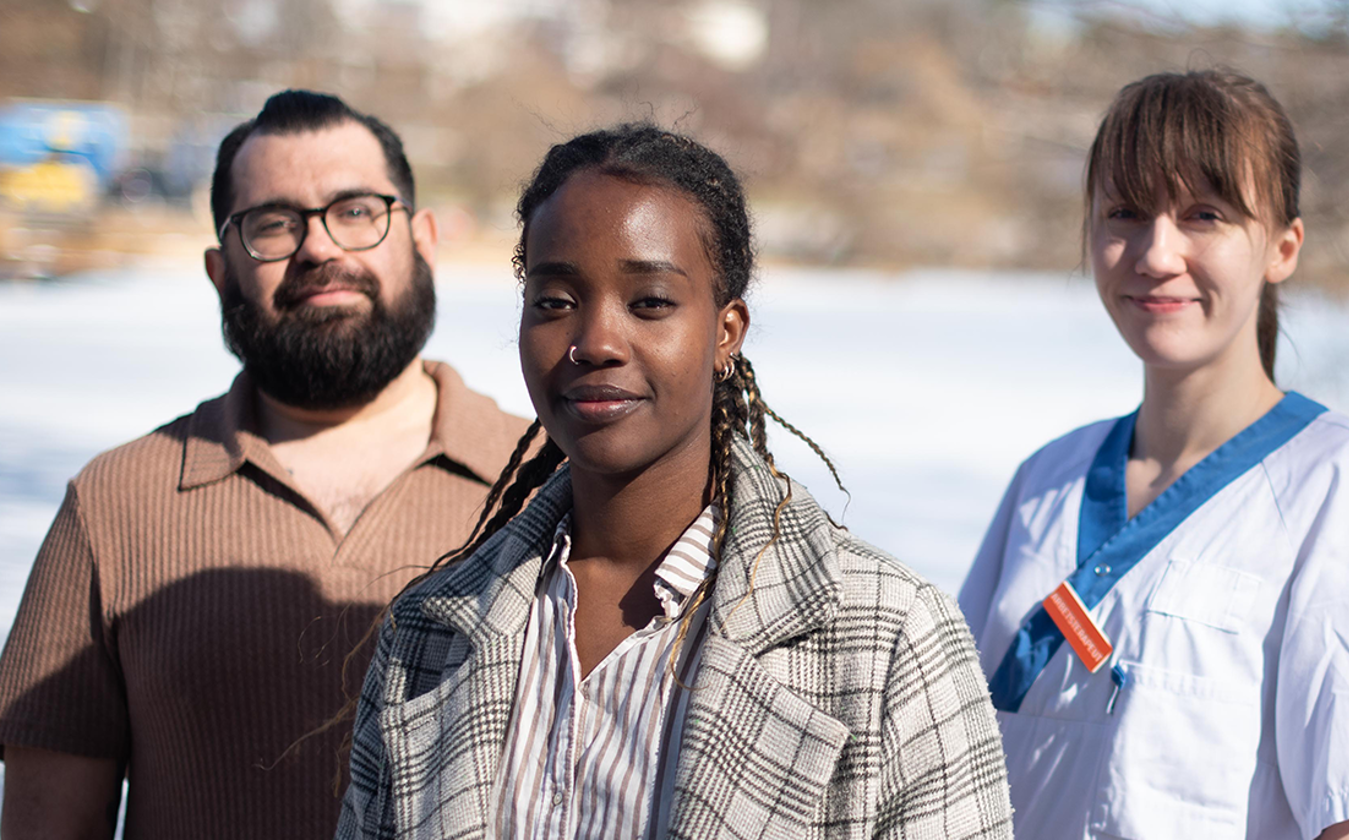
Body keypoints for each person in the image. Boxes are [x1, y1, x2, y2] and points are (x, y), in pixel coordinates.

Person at [335, 123, 1012, 839]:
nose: (595, 341)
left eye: (650, 302)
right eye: (555, 301)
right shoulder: (427, 631)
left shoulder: (890, 637)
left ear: (726, 332)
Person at [958, 69, 1349, 840]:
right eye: (1125, 212)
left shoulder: (1332, 481)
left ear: (1282, 248)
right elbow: (943, 765)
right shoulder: (1047, 480)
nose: (1157, 253)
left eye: (1204, 215)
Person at [0, 90, 528, 839]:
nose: (319, 248)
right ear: (220, 272)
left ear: (425, 240)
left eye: (356, 211)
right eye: (274, 224)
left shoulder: (553, 486)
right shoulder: (115, 504)